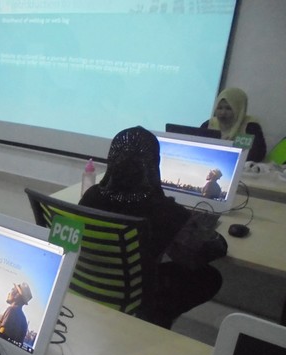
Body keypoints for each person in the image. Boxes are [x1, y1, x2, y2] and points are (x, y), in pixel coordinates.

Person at [79, 126, 223, 329]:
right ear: (153, 164)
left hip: (90, 283)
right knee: (210, 277)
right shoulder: (165, 211)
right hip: (138, 292)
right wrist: (206, 229)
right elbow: (202, 252)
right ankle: (156, 317)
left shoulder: (91, 195)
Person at [201, 87, 267, 163]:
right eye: (220, 108)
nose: (223, 113)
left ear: (239, 108)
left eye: (228, 108)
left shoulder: (250, 127)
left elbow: (257, 155)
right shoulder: (209, 124)